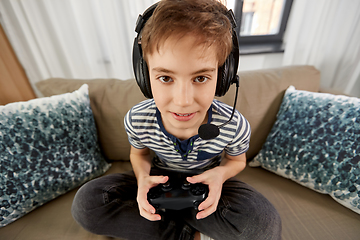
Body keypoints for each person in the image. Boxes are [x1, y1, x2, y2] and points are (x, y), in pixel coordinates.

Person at [71, 0, 282, 239]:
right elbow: (138, 154)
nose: (183, 101)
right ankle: (181, 230)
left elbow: (237, 161)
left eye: (200, 78)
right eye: (166, 78)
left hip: (206, 181)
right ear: (144, 75)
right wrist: (142, 179)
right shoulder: (138, 119)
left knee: (264, 226)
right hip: (158, 179)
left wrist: (220, 175)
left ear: (223, 76)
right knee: (87, 205)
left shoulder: (234, 125)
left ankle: (174, 221)